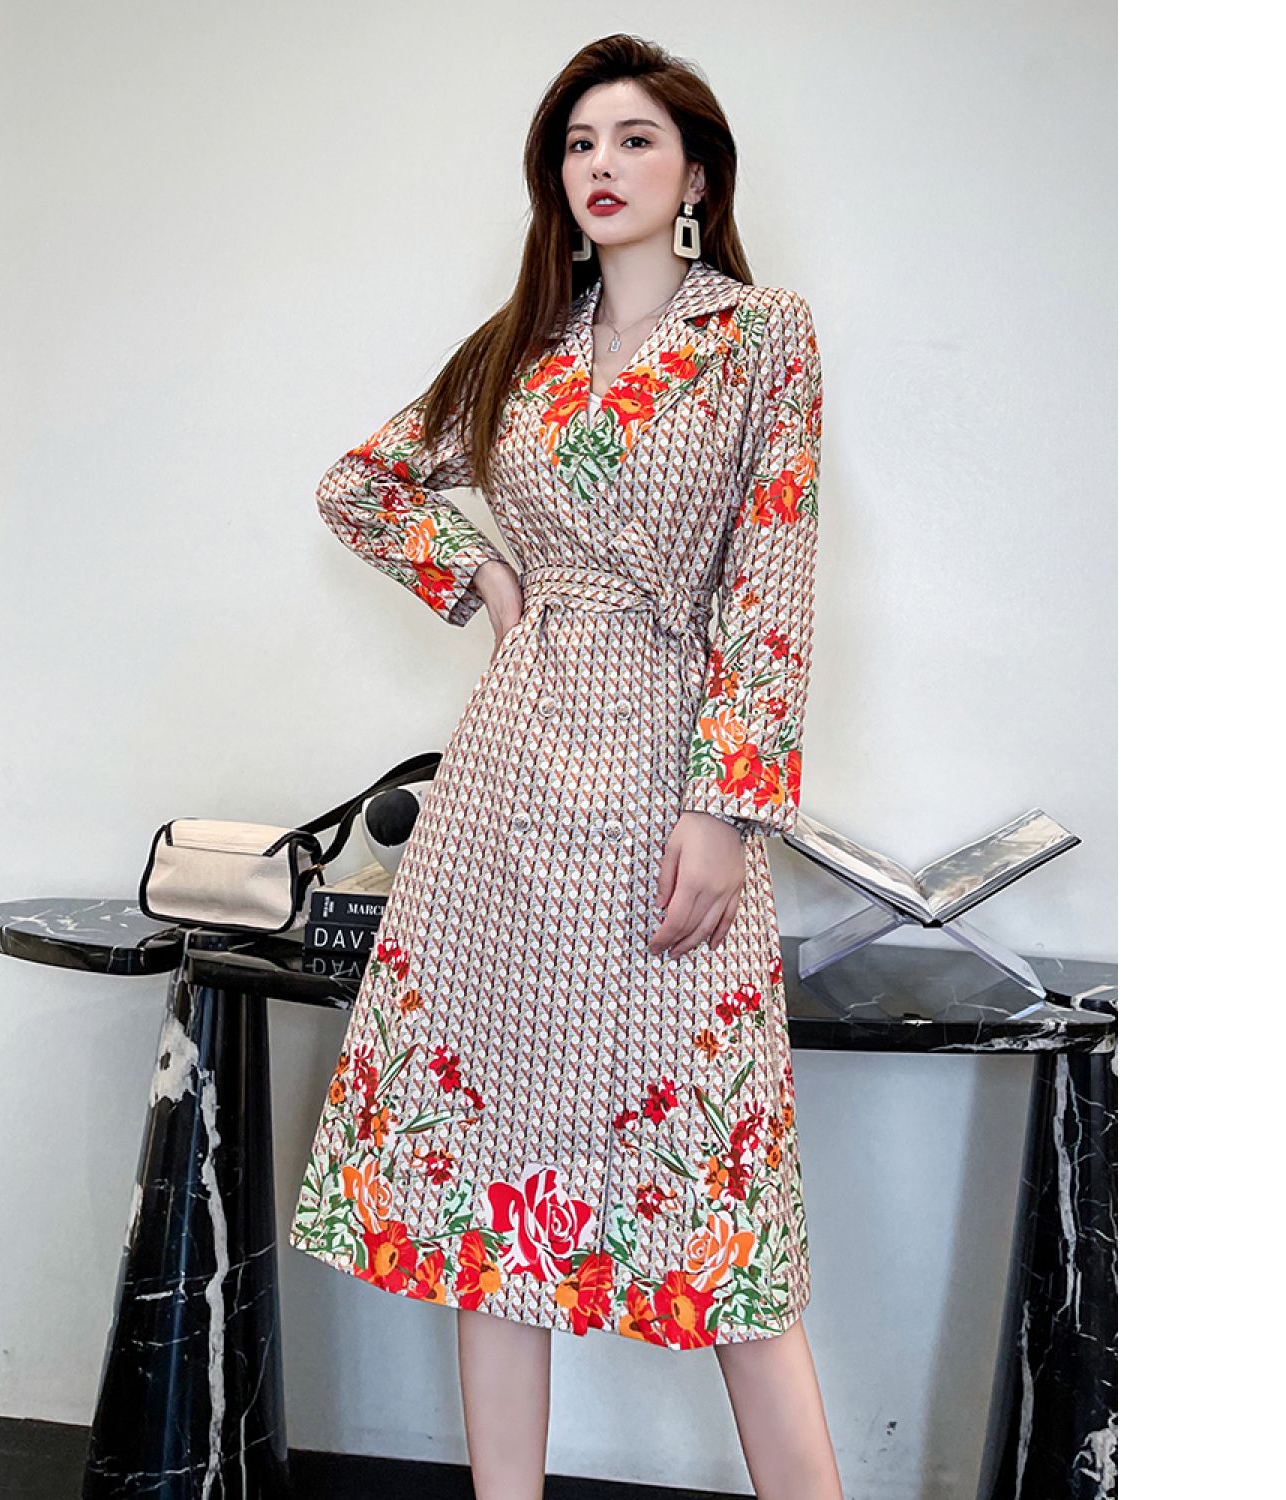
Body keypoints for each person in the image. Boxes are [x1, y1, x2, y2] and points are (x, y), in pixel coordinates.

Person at [290, 32, 841, 1500]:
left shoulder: (761, 335)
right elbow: (359, 486)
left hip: (667, 772)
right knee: (491, 1195)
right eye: (579, 144)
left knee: (720, 1206)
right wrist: (486, 581)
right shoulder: (520, 349)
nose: (602, 165)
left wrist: (726, 810)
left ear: (697, 175)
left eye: (634, 139)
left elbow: (772, 578)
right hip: (506, 797)